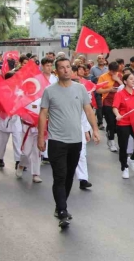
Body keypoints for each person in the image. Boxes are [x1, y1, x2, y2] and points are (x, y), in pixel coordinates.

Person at [38, 57, 99, 229]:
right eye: (62, 68)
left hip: (75, 141)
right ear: (56, 72)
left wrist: (94, 129)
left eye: (68, 67)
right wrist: (41, 138)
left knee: (69, 176)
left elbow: (88, 110)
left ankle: (59, 206)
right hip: (57, 140)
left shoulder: (80, 89)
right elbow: (43, 114)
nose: (66, 70)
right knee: (59, 175)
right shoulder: (49, 91)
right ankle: (63, 211)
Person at [0, 72, 22, 170]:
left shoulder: (20, 90)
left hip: (16, 118)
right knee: (2, 141)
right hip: (4, 118)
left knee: (18, 140)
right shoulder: (1, 91)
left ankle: (18, 160)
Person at [97, 61, 122, 153]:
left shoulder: (120, 75)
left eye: (116, 71)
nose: (114, 73)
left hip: (119, 103)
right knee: (111, 123)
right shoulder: (103, 77)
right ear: (109, 69)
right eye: (113, 71)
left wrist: (118, 79)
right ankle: (111, 142)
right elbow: (98, 90)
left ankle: (115, 139)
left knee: (118, 124)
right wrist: (109, 89)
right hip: (107, 102)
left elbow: (125, 87)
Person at [90, 54, 109, 129]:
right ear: (97, 60)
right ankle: (100, 122)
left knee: (106, 106)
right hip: (97, 90)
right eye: (99, 58)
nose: (101, 59)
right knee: (99, 106)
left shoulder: (107, 69)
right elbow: (90, 78)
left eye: (102, 58)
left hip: (106, 90)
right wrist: (95, 78)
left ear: (104, 60)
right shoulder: (93, 69)